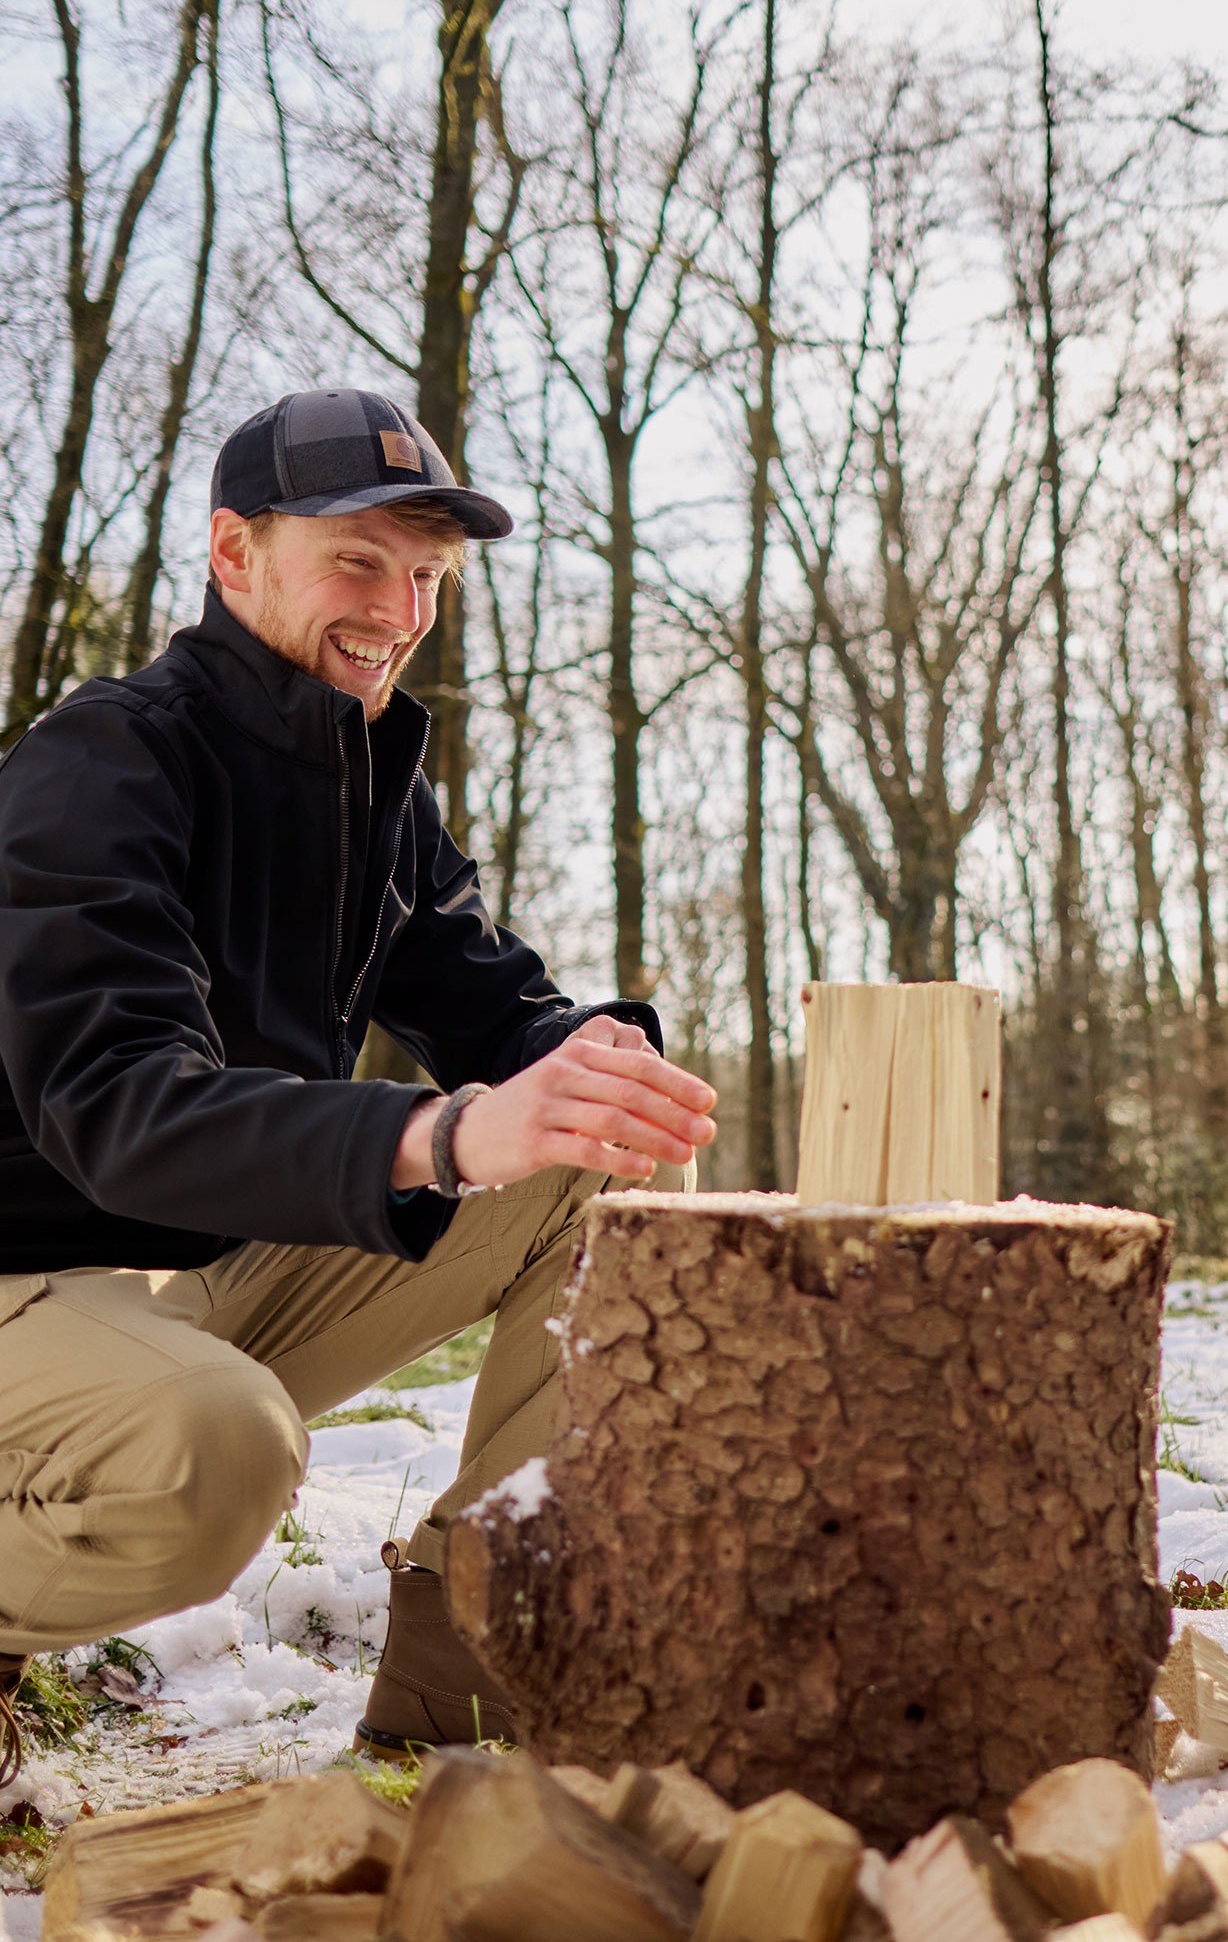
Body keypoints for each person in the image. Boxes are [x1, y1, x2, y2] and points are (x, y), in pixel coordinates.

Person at [0, 389, 718, 1782]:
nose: (398, 606)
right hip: (28, 1275)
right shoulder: (98, 766)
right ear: (234, 555)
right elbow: (121, 1105)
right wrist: (443, 1131)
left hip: (199, 1265)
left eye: (428, 575)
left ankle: (474, 1665)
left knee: (598, 1142)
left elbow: (490, 1000)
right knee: (219, 1453)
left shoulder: (370, 780)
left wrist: (601, 1066)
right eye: (356, 561)